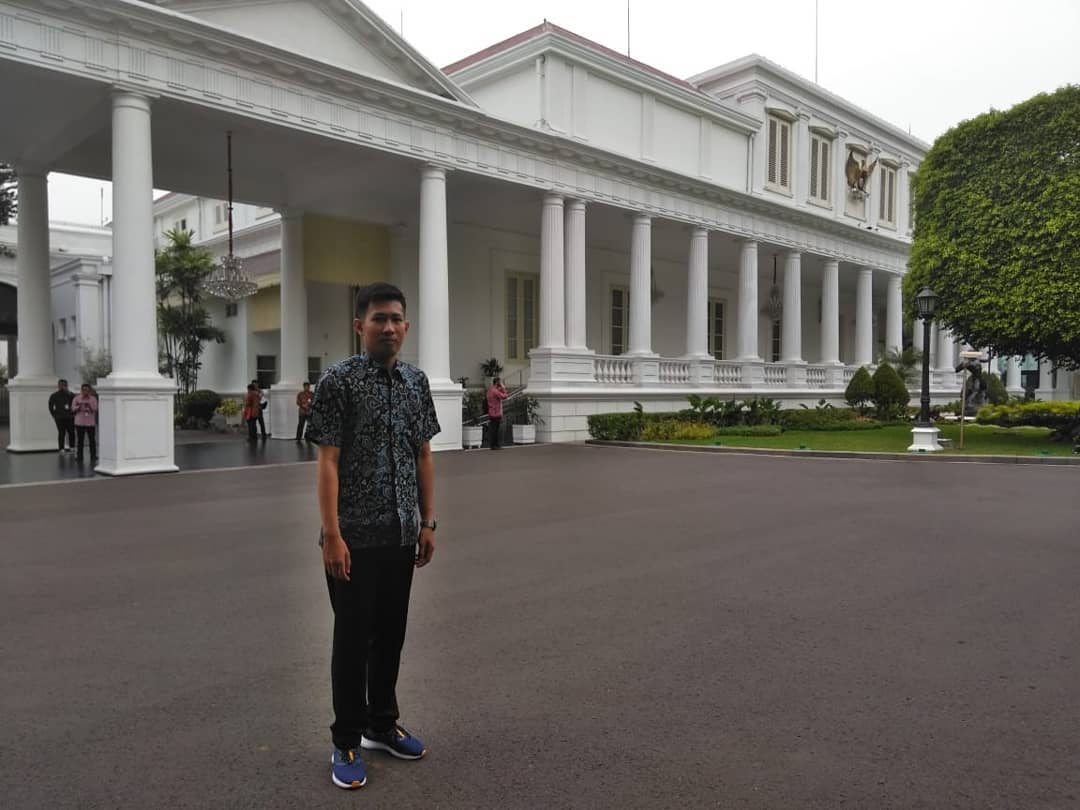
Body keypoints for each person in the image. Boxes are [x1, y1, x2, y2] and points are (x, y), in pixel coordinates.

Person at [306, 281, 440, 791]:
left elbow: (423, 454)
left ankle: (381, 725)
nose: (389, 327)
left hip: (401, 533)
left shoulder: (415, 382)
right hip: (353, 539)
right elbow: (328, 462)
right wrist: (332, 535)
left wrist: (427, 522)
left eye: (397, 318)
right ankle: (346, 737)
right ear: (359, 324)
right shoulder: (338, 381)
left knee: (391, 635)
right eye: (379, 318)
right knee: (352, 640)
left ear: (406, 326)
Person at [71, 383, 98, 463]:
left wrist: (89, 406)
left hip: (90, 422)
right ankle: (79, 456)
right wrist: (79, 406)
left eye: (87, 390)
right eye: (84, 390)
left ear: (89, 390)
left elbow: (96, 409)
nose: (85, 391)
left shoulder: (93, 399)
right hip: (80, 422)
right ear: (81, 390)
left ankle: (93, 455)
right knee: (80, 440)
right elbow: (72, 408)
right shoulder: (77, 398)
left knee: (92, 440)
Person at [47, 379, 76, 453]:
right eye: (61, 385)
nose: (63, 387)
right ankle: (61, 448)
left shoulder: (71, 395)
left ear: (67, 386)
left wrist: (73, 414)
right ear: (58, 386)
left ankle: (72, 447)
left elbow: (75, 403)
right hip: (60, 417)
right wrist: (54, 415)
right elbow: (50, 406)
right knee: (61, 433)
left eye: (64, 385)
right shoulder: (54, 395)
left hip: (70, 417)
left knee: (71, 432)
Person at [485, 376, 509, 449]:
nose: (501, 383)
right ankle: (495, 445)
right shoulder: (495, 391)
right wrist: (503, 388)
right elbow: (504, 396)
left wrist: (500, 388)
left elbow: (498, 393)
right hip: (496, 412)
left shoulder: (490, 390)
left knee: (493, 429)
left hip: (491, 411)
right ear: (497, 382)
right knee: (495, 429)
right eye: (500, 382)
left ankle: (493, 444)